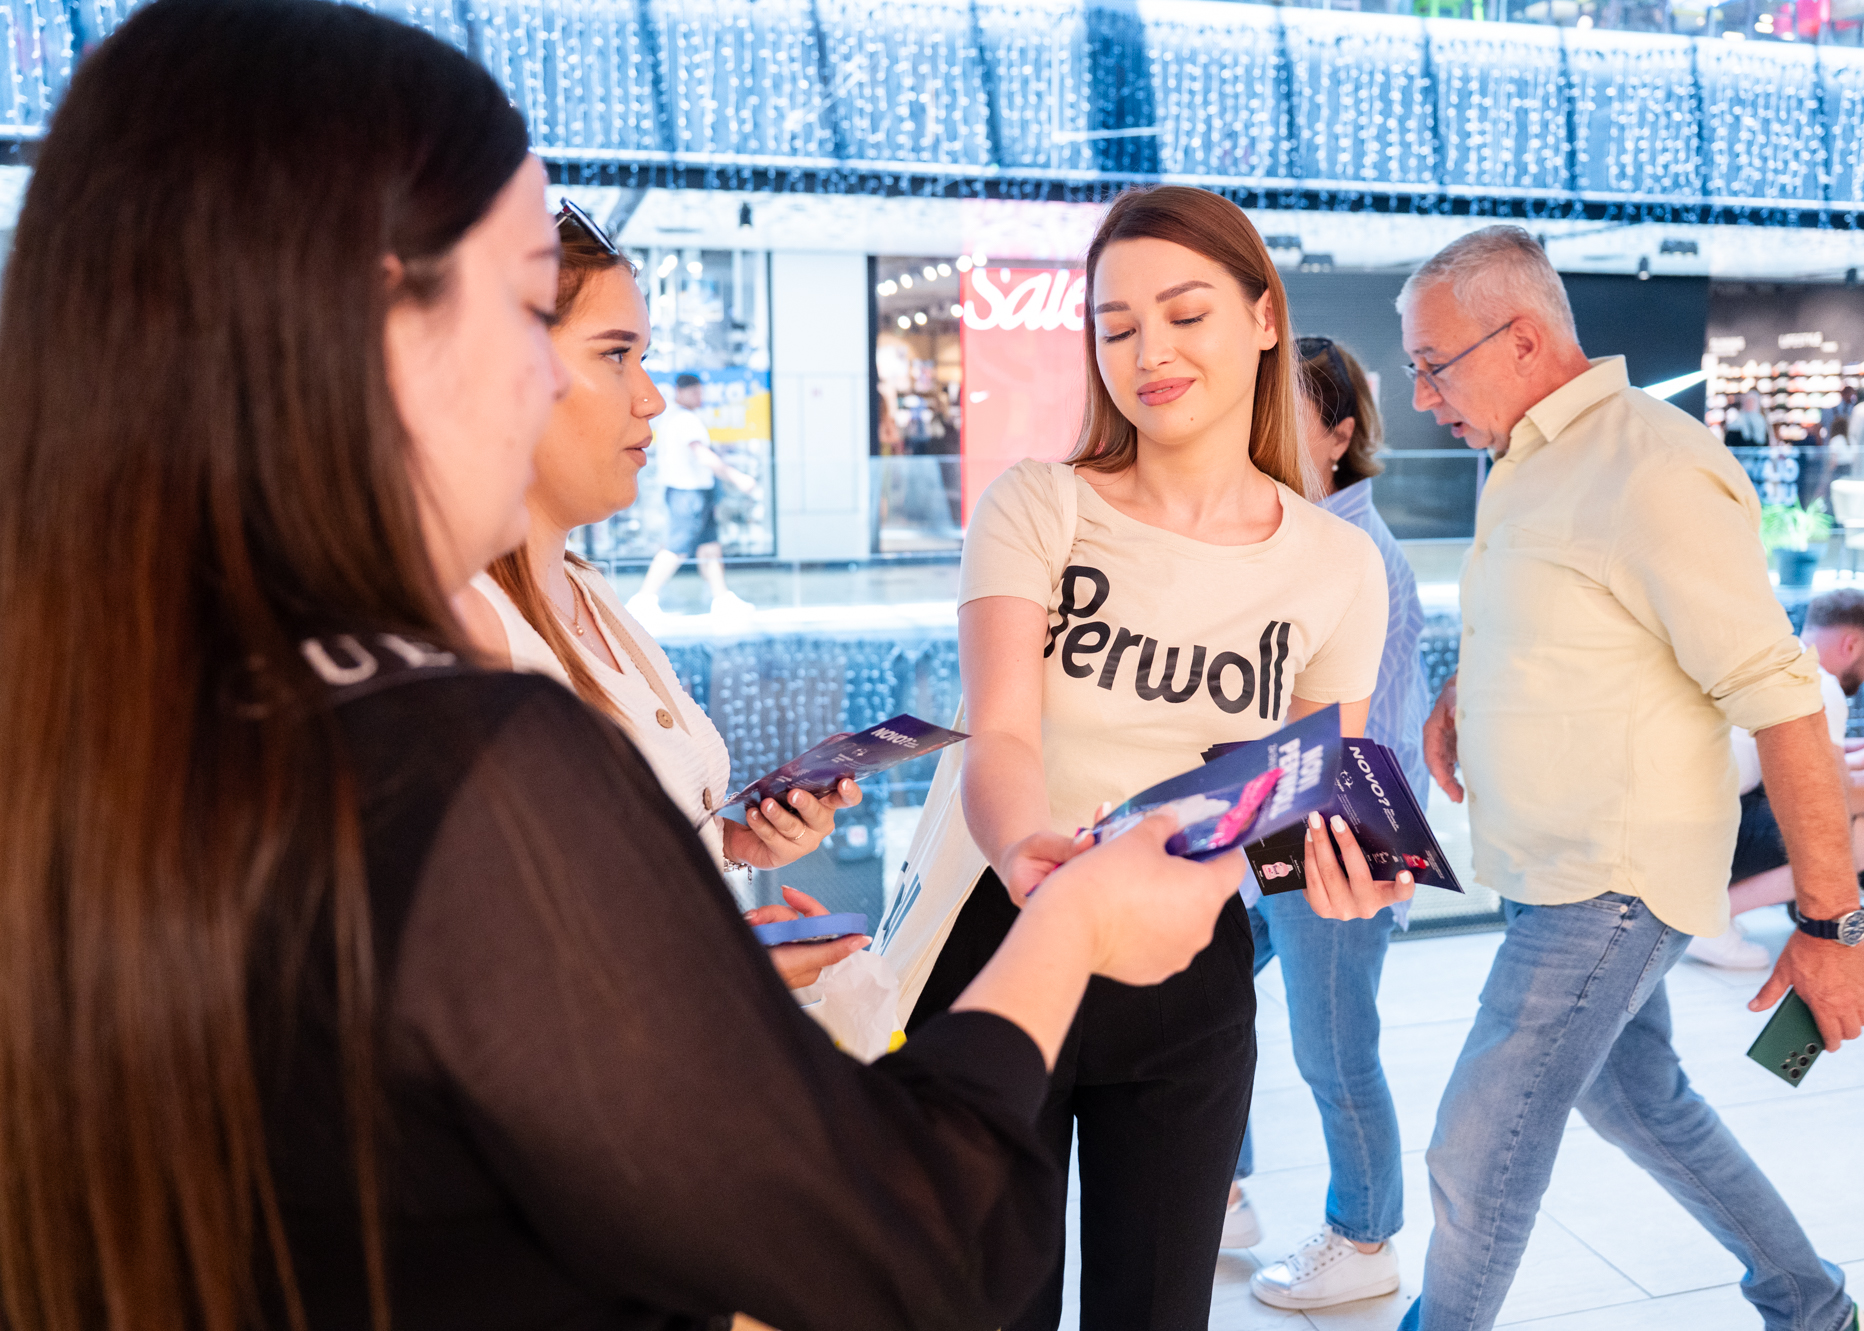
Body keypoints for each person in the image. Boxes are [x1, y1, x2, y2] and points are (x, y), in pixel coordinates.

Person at [0, 5, 1261, 1326]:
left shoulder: (134, 714)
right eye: (533, 311)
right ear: (372, 325)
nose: (564, 386)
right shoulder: (459, 762)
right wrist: (1071, 924)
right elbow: (907, 1248)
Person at [916, 185, 1414, 1331]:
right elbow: (1001, 731)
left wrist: (1343, 867)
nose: (1150, 352)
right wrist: (1029, 856)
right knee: (984, 1302)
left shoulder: (1337, 566)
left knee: (1154, 1307)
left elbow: (1301, 787)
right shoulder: (1037, 505)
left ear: (1263, 317)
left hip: (1187, 960)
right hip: (1005, 930)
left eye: (1185, 314)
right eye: (1116, 325)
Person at [1407, 226, 1864, 1331]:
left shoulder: (1655, 469)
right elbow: (1579, 621)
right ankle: (1816, 1308)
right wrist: (1468, 688)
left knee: (1475, 1146)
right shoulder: (1526, 459)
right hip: (1545, 868)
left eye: (1434, 365)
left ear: (1521, 339)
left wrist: (1832, 923)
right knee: (1642, 1104)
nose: (1421, 395)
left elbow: (1781, 697)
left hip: (1610, 882)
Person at [456, 201, 864, 988]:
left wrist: (734, 845)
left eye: (644, 359)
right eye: (616, 355)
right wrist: (728, 975)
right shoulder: (465, 627)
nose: (652, 399)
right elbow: (497, 968)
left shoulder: (587, 589)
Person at [1227, 338, 1428, 1312]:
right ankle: (1223, 1189)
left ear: (1341, 434)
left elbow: (1355, 728)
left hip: (1339, 834)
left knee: (1334, 1048)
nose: (1256, 432)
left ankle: (1364, 1235)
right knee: (1207, 1001)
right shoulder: (1294, 538)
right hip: (1278, 819)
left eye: (1284, 415)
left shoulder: (1353, 554)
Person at [1689, 588, 1864, 970]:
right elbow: (1839, 798)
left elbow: (1786, 757)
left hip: (1689, 819)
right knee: (1857, 835)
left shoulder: (1778, 661)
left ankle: (1711, 914)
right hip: (1706, 834)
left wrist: (1860, 752)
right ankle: (1710, 921)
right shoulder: (1820, 684)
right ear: (1851, 644)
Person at [627, 372, 756, 618]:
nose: (699, 397)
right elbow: (702, 454)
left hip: (694, 491)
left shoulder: (676, 418)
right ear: (680, 392)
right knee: (676, 547)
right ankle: (644, 599)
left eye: (700, 391)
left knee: (709, 547)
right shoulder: (685, 420)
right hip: (688, 493)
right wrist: (736, 477)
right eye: (694, 392)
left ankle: (722, 598)